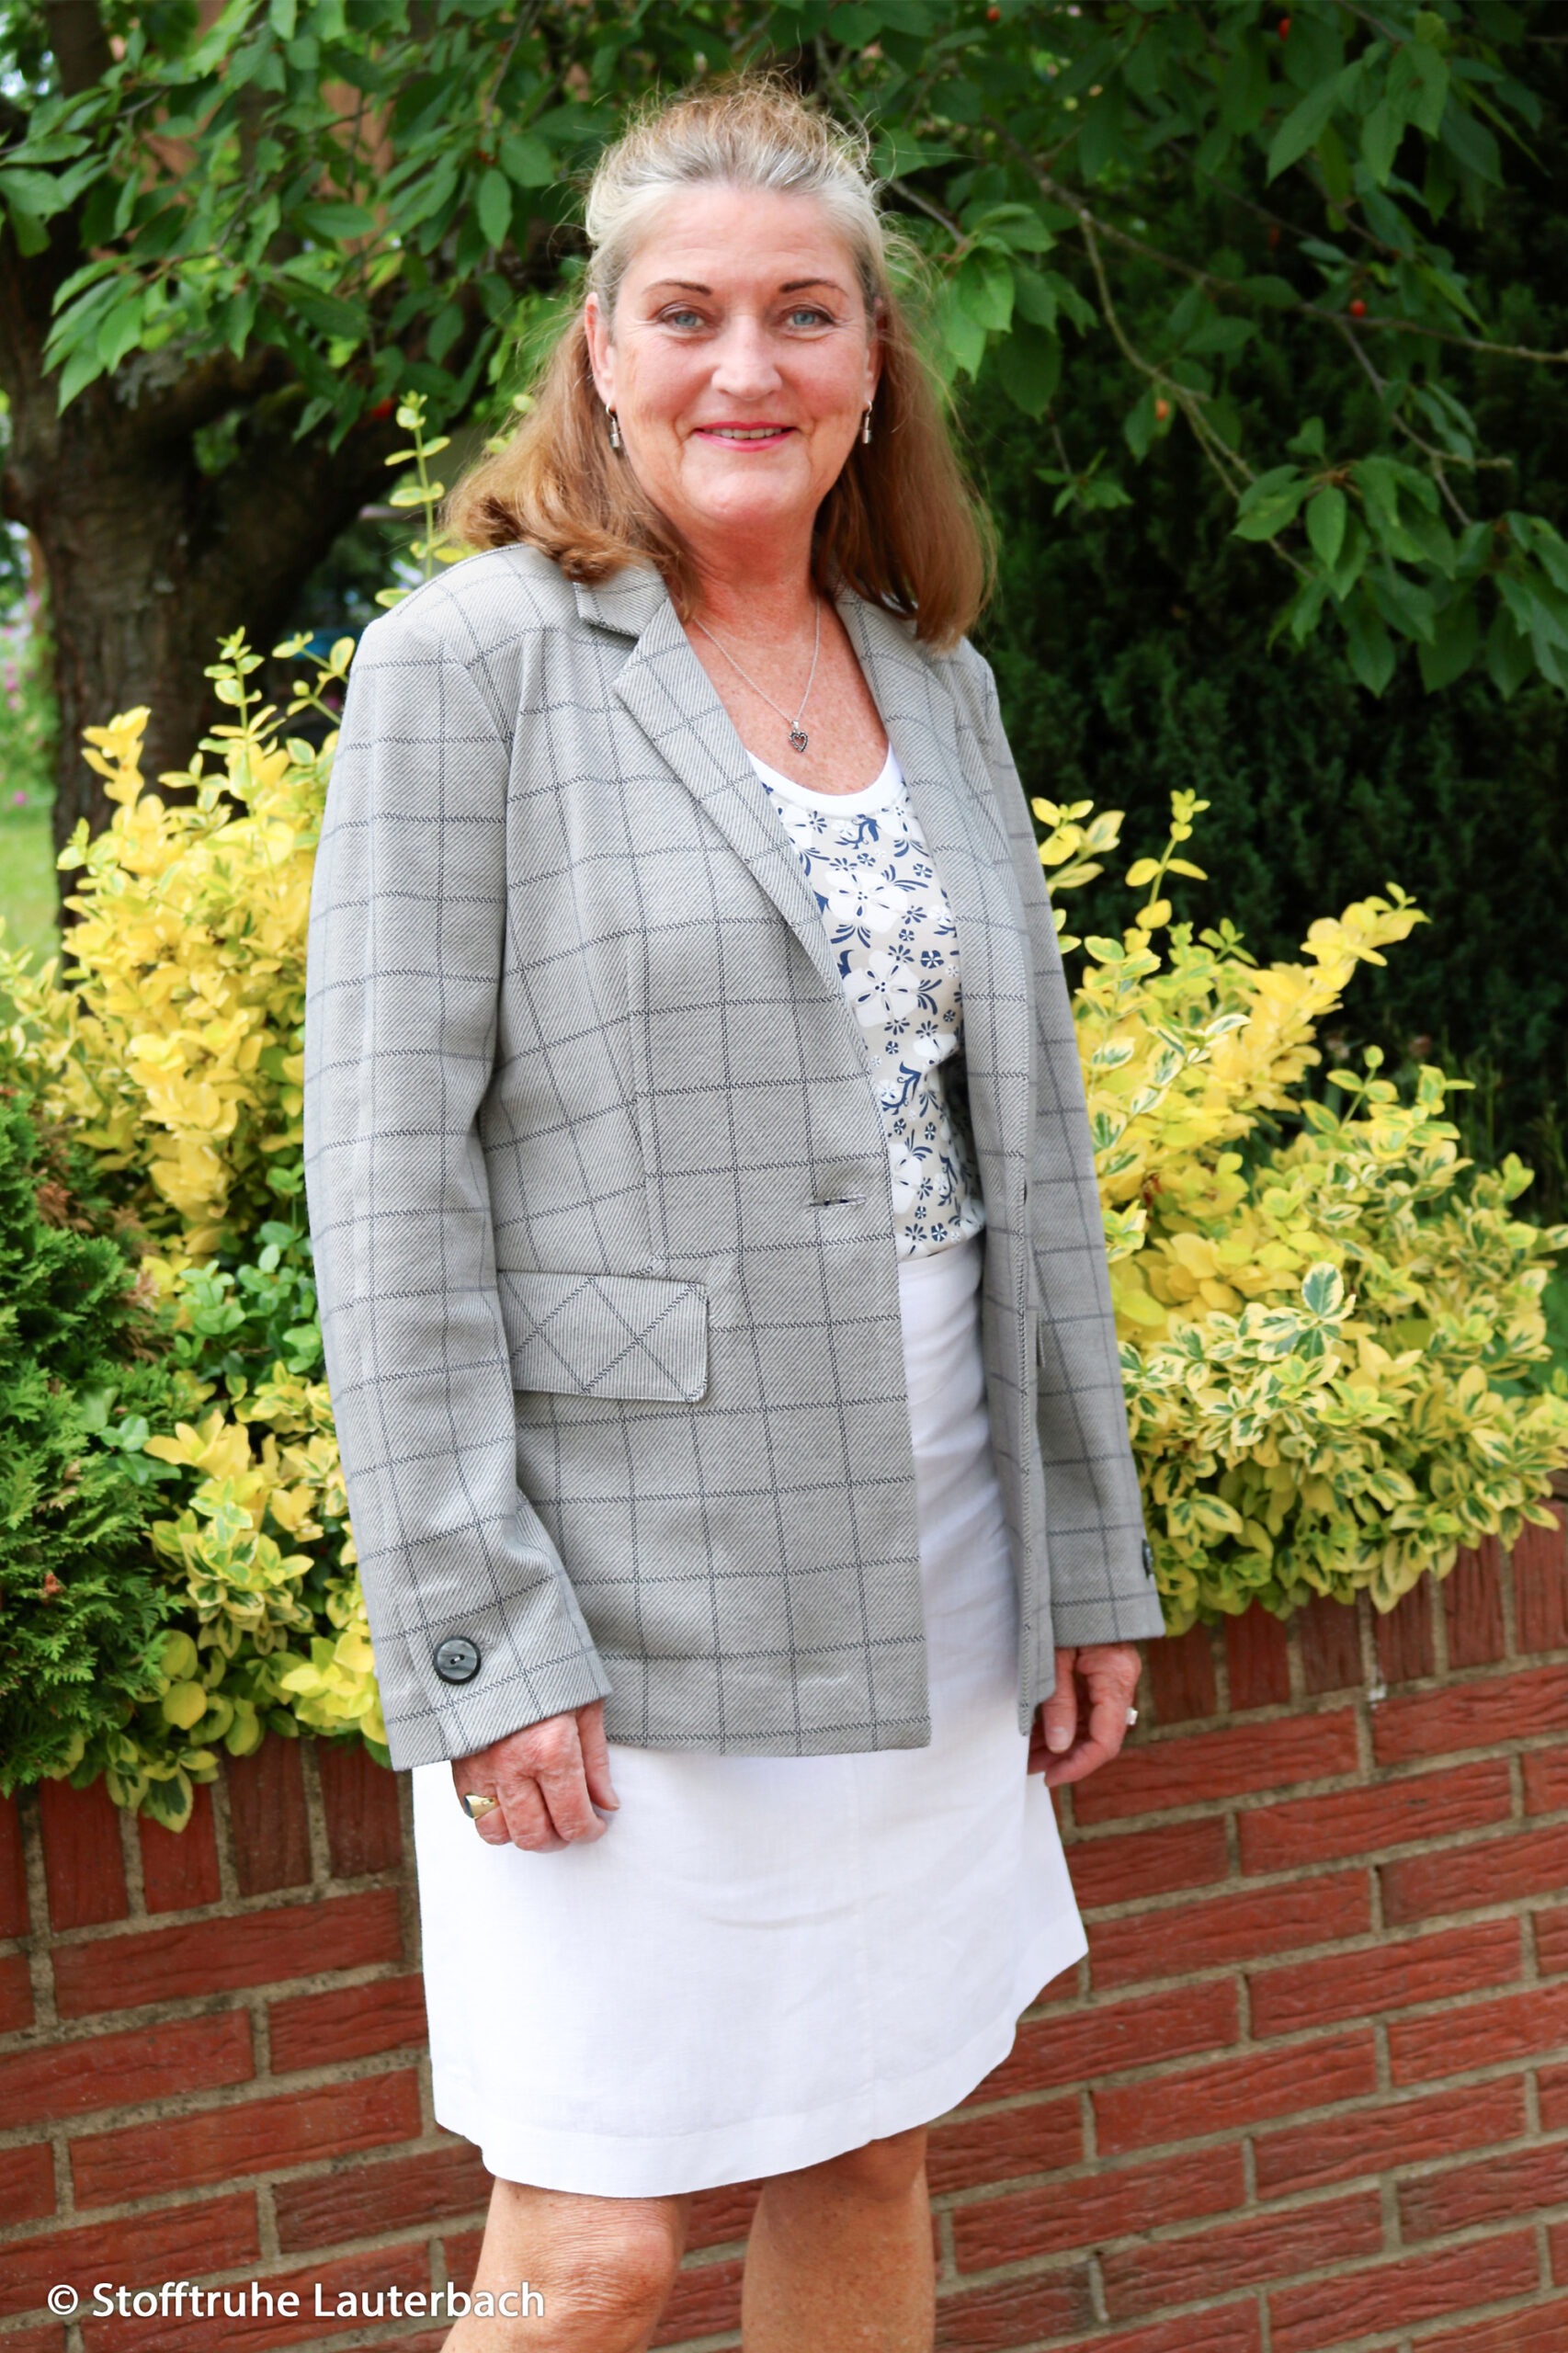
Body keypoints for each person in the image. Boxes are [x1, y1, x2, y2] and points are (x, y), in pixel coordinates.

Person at [302, 74, 1167, 2353]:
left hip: (938, 1549)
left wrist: (1084, 1551)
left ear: (874, 358)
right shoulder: (468, 665)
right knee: (590, 2253)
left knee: (868, 2146)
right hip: (620, 1588)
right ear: (599, 348)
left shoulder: (938, 680)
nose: (744, 366)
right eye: (685, 313)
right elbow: (385, 1187)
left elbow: (1030, 1151)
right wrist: (479, 1631)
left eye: (803, 313)